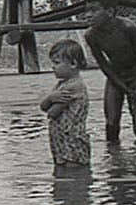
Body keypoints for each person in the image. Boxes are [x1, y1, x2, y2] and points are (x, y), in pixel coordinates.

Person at [82, 0, 136, 143]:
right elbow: (103, 64)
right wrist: (121, 85)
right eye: (86, 11)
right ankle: (114, 159)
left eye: (94, 10)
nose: (88, 15)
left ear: (109, 12)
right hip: (115, 77)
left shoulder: (127, 27)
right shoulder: (91, 35)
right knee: (111, 124)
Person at [38, 38, 94, 170]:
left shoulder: (73, 87)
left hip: (72, 140)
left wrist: (50, 99)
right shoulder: (62, 84)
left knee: (73, 173)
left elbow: (51, 113)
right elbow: (44, 107)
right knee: (62, 172)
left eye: (57, 63)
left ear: (73, 64)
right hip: (62, 139)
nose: (53, 67)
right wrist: (51, 98)